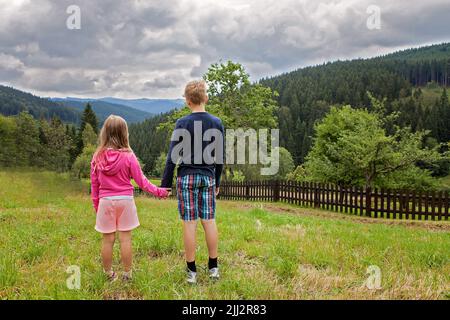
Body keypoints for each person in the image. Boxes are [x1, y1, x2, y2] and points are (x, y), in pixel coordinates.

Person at [91, 115, 170, 281]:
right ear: (124, 134)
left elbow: (95, 186)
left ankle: (108, 274)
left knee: (107, 241)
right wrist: (160, 192)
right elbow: (142, 182)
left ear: (104, 133)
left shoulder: (97, 157)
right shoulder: (129, 156)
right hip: (125, 201)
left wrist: (97, 206)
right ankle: (127, 274)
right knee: (125, 240)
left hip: (106, 201)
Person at [161, 80, 224, 284]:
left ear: (187, 101)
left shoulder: (182, 123)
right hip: (207, 176)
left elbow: (172, 156)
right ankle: (213, 268)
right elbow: (220, 157)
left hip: (186, 177)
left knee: (189, 223)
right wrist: (217, 180)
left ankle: (192, 272)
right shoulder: (216, 123)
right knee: (209, 221)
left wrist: (165, 184)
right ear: (205, 98)